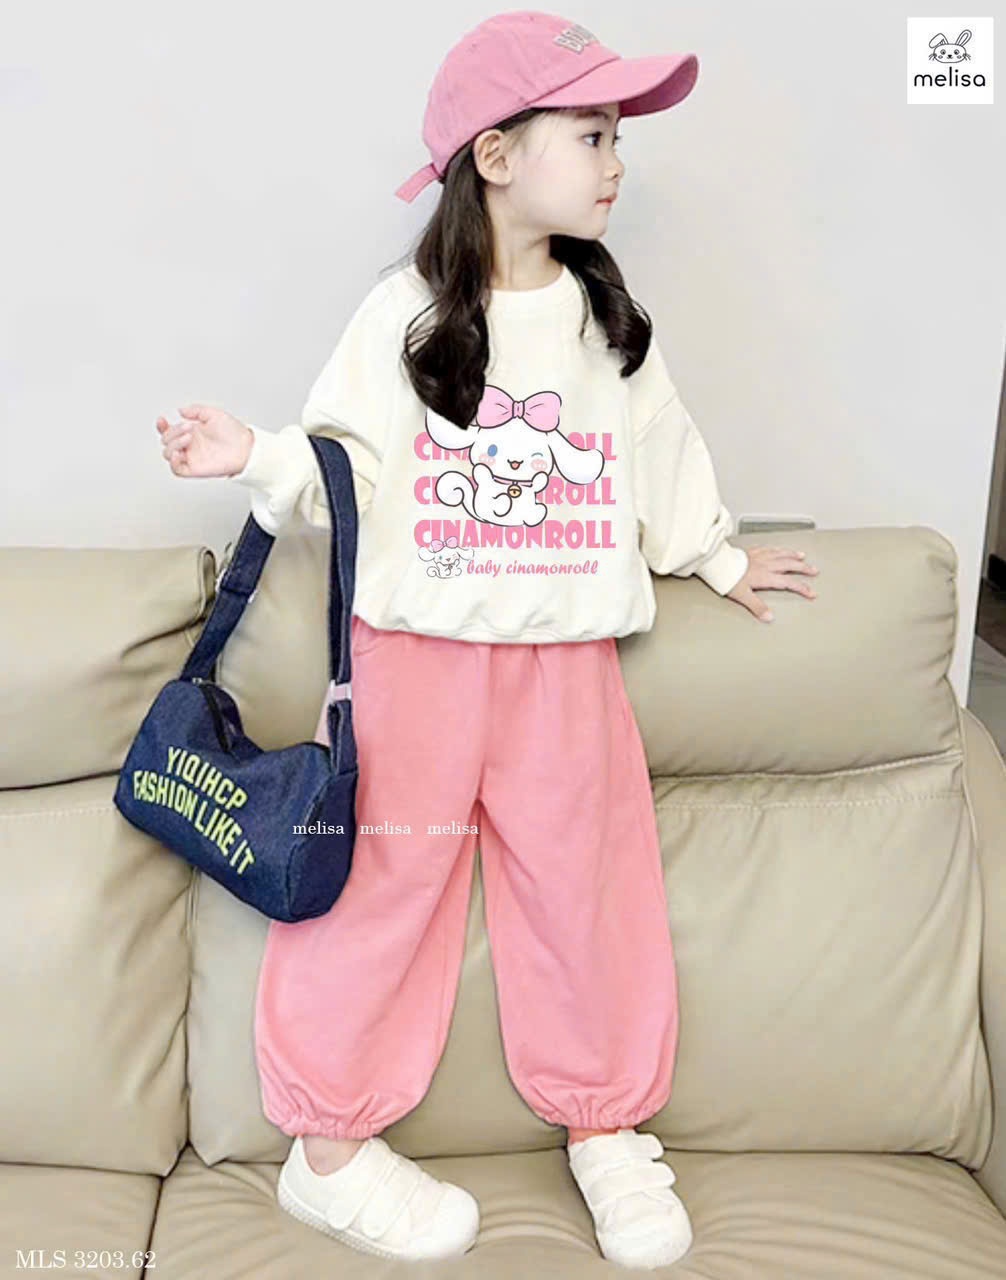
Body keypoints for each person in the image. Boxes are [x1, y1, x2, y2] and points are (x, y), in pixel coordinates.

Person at [156, 10, 819, 1268]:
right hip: (416, 657)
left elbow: (659, 453)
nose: (617, 160)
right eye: (593, 134)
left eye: (617, 136)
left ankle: (606, 1126)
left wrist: (720, 555)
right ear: (497, 156)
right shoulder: (403, 315)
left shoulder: (604, 320)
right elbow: (346, 471)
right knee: (381, 882)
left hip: (564, 663)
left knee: (587, 884)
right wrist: (252, 454)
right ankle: (328, 1151)